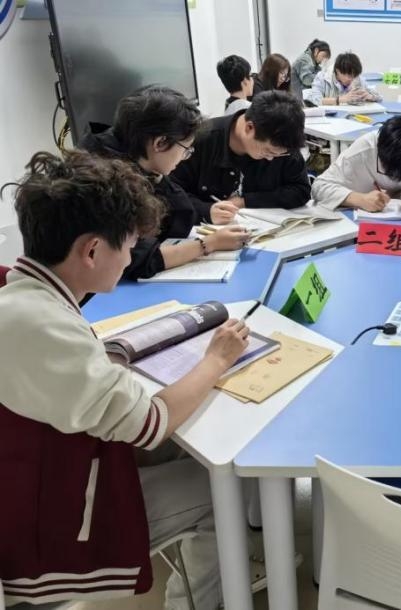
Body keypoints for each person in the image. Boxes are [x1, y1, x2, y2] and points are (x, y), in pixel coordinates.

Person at [0, 150, 252, 609]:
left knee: (190, 449)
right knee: (224, 489)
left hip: (38, 468)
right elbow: (150, 424)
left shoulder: (20, 293)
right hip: (45, 517)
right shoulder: (40, 325)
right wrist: (216, 360)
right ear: (93, 250)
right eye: (130, 246)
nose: (130, 258)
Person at [80, 86, 249, 280]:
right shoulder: (104, 178)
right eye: (185, 149)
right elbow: (137, 260)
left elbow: (182, 218)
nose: (186, 157)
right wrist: (208, 244)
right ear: (160, 143)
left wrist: (158, 177)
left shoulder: (140, 160)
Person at [172, 91, 311, 222]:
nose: (271, 158)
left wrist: (246, 201)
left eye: (278, 154)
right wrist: (206, 211)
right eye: (268, 151)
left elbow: (301, 191)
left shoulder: (284, 142)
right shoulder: (200, 140)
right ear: (249, 128)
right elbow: (170, 194)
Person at [304, 52, 381, 107]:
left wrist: (370, 96)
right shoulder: (322, 77)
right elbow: (314, 100)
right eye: (348, 76)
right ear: (337, 71)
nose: (351, 79)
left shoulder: (357, 78)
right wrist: (341, 99)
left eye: (354, 76)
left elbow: (379, 97)